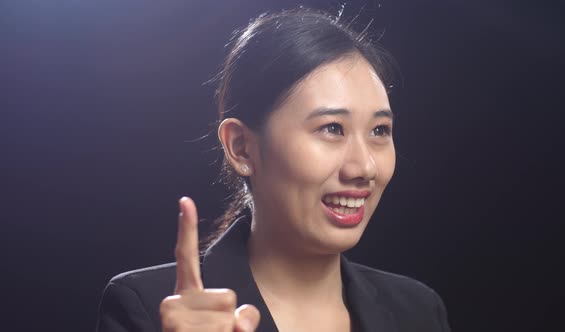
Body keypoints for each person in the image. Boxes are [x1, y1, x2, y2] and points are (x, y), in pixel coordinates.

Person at [96, 8, 451, 332]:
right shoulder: (147, 308)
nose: (365, 168)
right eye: (331, 128)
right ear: (241, 146)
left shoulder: (417, 311)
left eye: (379, 131)